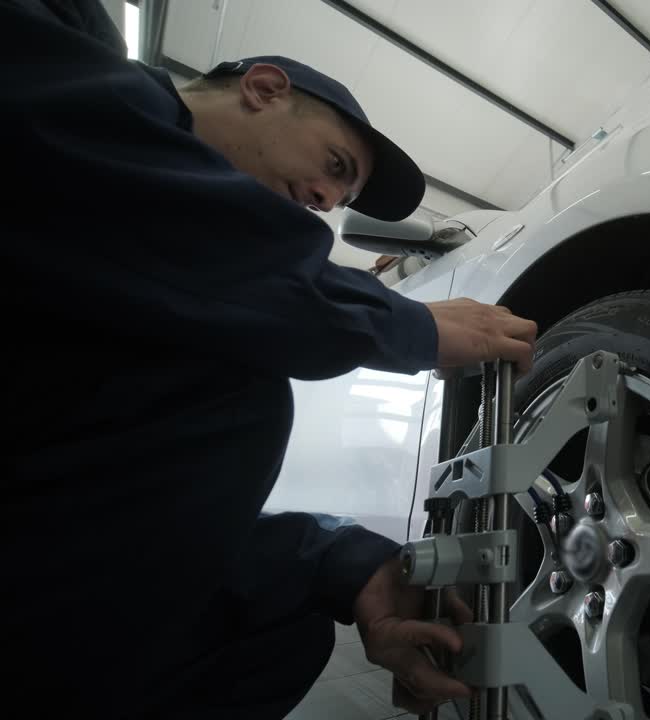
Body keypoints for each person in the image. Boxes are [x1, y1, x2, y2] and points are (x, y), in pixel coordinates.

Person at [1, 1, 536, 717]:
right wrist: (402, 323)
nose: (322, 200)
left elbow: (131, 526)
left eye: (336, 200)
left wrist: (347, 564)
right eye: (334, 166)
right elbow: (161, 213)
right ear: (263, 88)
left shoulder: (127, 303)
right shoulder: (62, 47)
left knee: (288, 622)